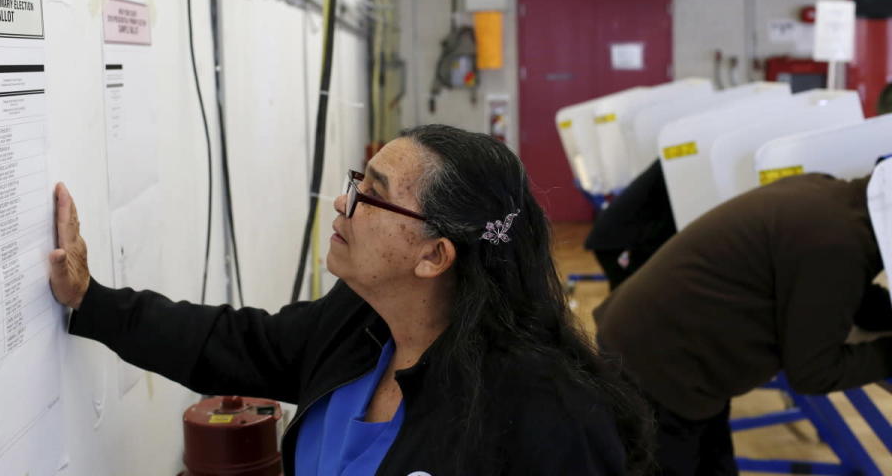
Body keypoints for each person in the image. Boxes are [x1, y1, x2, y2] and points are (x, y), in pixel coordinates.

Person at [49, 124, 654, 475]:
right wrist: (92, 300)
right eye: (355, 182)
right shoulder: (360, 324)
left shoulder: (548, 413)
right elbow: (229, 342)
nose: (345, 203)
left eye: (374, 194)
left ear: (435, 256)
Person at [593, 172, 892, 476]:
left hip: (666, 347)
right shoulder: (836, 246)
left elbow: (854, 292)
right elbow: (814, 371)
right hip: (661, 367)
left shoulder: (832, 198)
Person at [584, 160, 676, 290]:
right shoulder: (671, 166)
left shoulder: (669, 165)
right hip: (613, 243)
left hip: (616, 238)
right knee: (629, 293)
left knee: (632, 293)